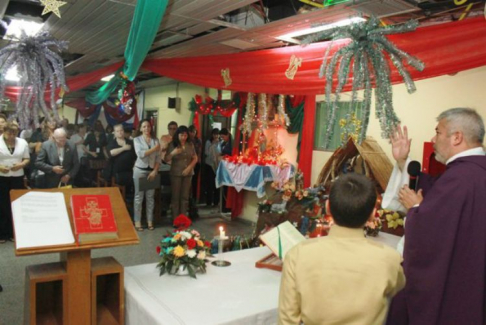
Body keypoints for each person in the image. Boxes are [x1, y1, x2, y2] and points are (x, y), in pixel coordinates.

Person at [385, 108, 486, 325]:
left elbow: (432, 231)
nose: (433, 139)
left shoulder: (461, 178)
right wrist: (404, 161)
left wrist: (416, 210)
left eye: (438, 132)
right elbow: (434, 192)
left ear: (457, 137)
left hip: (453, 287)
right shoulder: (469, 173)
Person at [279, 173, 405, 325]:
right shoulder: (389, 259)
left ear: (327, 208)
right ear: (373, 214)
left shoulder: (298, 255)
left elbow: (287, 320)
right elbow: (399, 286)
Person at [0, 122, 30, 243]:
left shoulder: (22, 142)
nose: (12, 136)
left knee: (16, 204)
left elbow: (27, 158)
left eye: (14, 134)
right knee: (2, 204)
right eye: (9, 134)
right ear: (4, 131)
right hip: (2, 176)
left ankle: (14, 232)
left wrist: (21, 164)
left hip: (17, 176)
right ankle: (2, 233)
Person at [133, 119, 160, 231]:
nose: (146, 128)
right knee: (139, 197)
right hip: (140, 170)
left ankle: (150, 221)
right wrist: (154, 148)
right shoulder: (137, 140)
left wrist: (155, 170)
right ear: (140, 128)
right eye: (144, 126)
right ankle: (137, 221)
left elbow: (158, 158)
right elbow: (141, 154)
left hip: (151, 171)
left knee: (150, 197)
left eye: (148, 126)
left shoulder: (155, 140)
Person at [165, 125, 197, 219]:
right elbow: (166, 159)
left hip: (188, 173)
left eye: (185, 135)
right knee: (176, 197)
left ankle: (183, 219)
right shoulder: (172, 144)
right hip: (176, 173)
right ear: (177, 135)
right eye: (181, 135)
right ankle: (175, 219)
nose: (183, 137)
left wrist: (189, 168)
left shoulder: (190, 144)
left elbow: (195, 158)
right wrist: (173, 153)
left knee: (185, 197)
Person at [107, 124, 136, 195]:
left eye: (121, 130)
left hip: (129, 170)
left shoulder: (130, 142)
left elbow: (135, 156)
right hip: (117, 170)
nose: (120, 132)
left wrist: (135, 166)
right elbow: (112, 153)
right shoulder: (112, 142)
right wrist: (123, 148)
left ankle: (129, 200)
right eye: (117, 131)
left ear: (123, 131)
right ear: (115, 133)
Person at [204, 128, 220, 207]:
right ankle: (208, 202)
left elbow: (220, 153)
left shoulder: (220, 142)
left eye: (217, 134)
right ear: (212, 134)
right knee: (209, 184)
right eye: (214, 134)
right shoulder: (208, 142)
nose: (216, 136)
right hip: (209, 164)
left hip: (218, 165)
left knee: (216, 184)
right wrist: (212, 145)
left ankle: (216, 202)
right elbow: (206, 152)